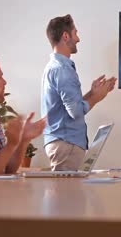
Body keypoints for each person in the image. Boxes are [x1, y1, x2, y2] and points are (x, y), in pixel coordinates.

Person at [42, 14, 116, 171]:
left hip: (64, 143)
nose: (78, 39)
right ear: (65, 36)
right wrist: (96, 98)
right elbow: (75, 111)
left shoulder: (57, 67)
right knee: (68, 195)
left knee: (70, 195)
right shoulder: (62, 70)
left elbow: (68, 107)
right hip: (66, 145)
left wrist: (92, 93)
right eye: (75, 33)